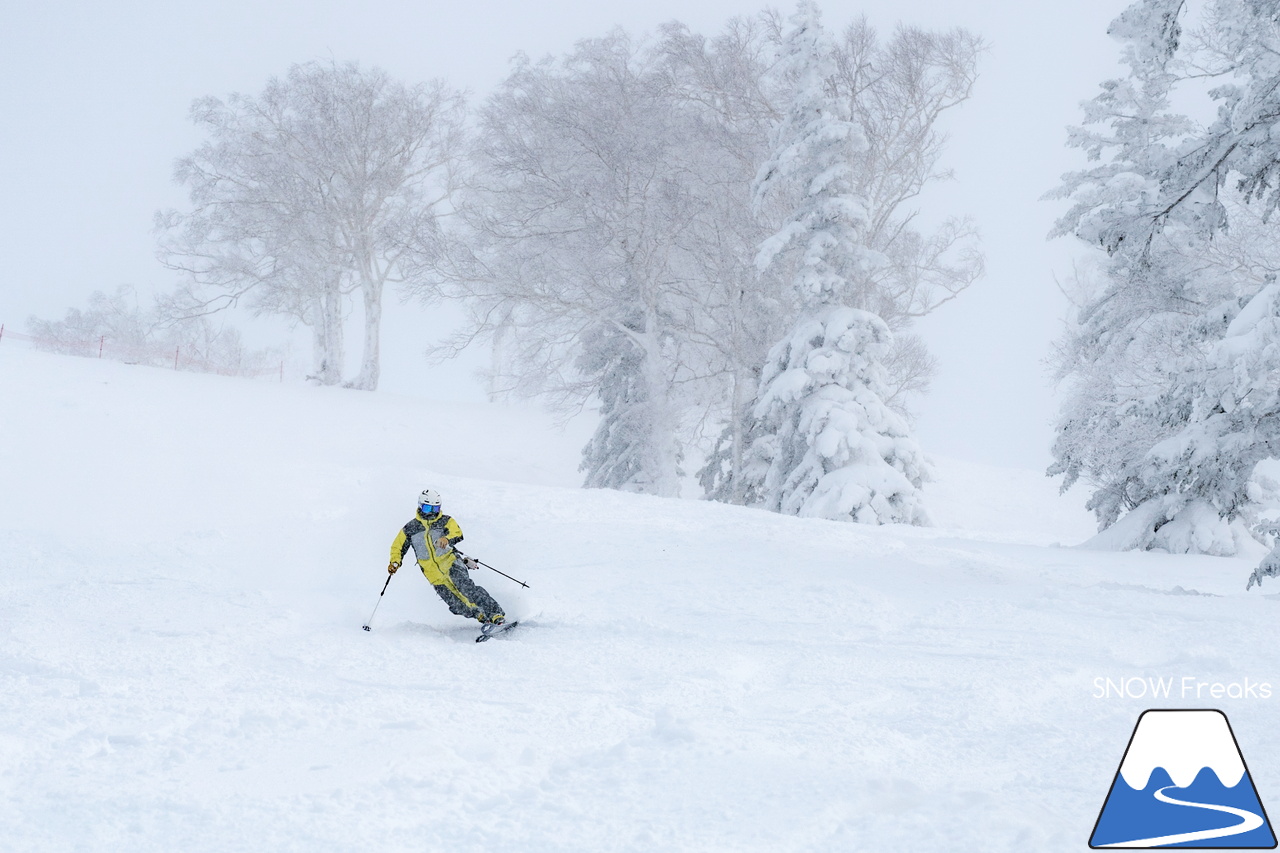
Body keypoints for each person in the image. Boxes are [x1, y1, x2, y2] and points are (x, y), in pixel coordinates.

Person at [388, 488, 506, 626]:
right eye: (427, 508)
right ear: (420, 506)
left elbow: (457, 532)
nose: (432, 513)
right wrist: (395, 562)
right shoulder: (410, 528)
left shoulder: (445, 521)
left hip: (451, 564)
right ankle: (481, 616)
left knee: (467, 590)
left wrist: (447, 539)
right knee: (457, 605)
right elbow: (397, 547)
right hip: (433, 575)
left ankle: (495, 614)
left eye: (435, 508)